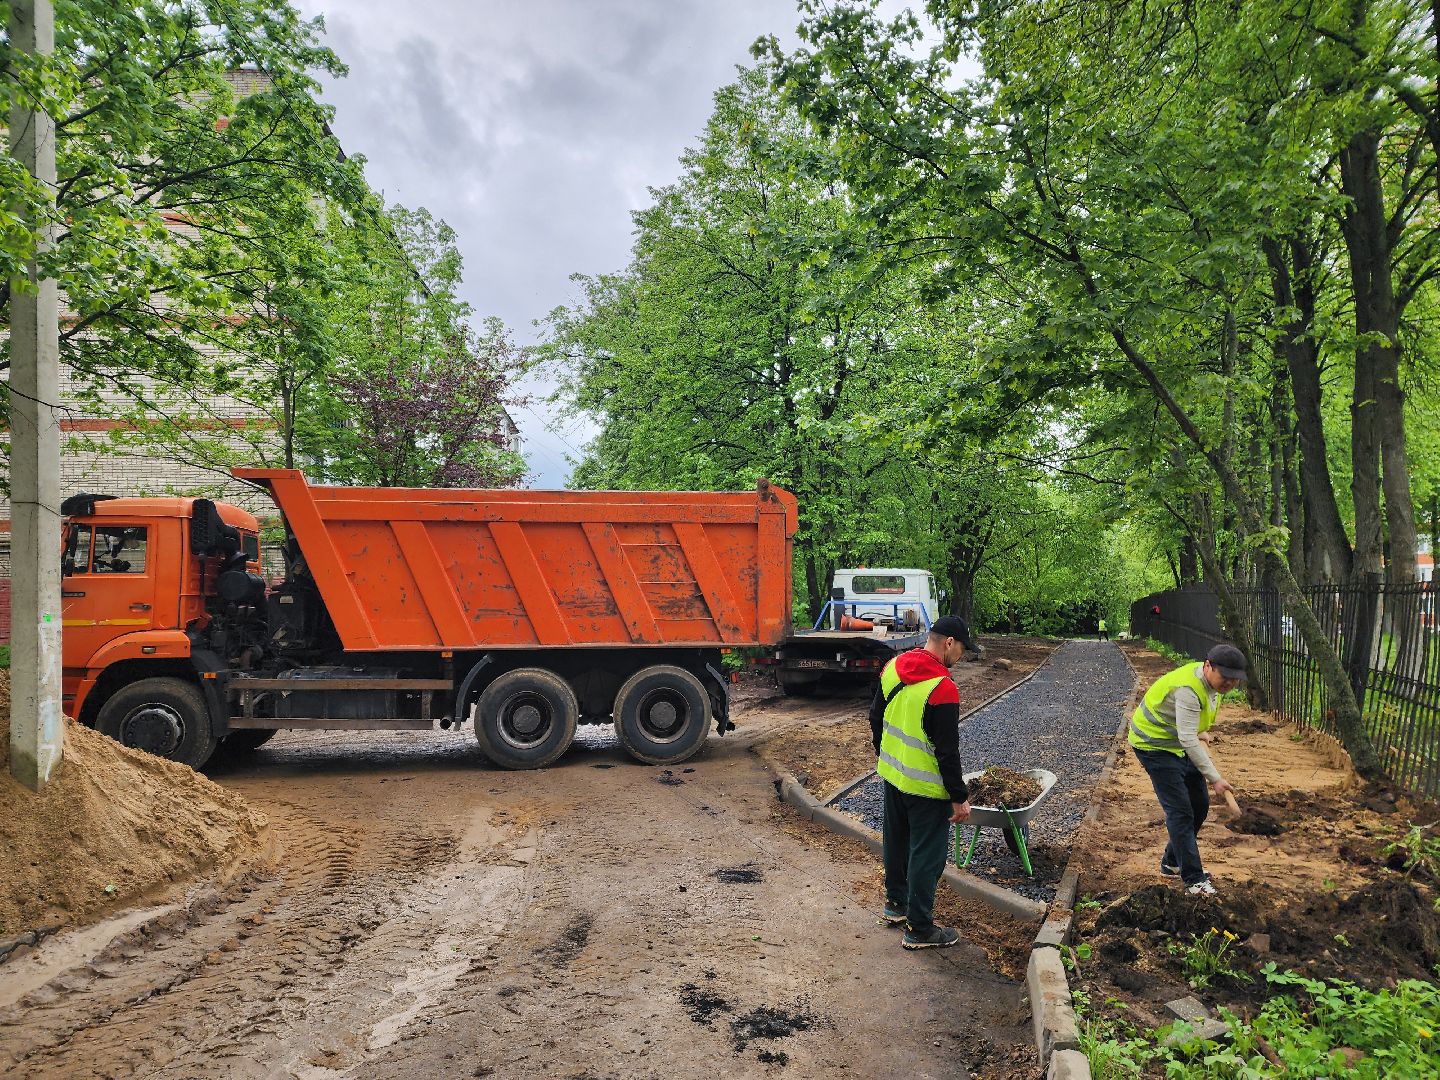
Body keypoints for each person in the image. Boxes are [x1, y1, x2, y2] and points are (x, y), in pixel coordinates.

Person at [870, 614, 977, 949]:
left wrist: (885, 755)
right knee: (926, 855)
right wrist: (959, 796)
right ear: (949, 643)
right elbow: (947, 751)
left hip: (893, 775)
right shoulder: (942, 688)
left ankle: (896, 904)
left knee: (896, 841)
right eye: (961, 649)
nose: (961, 656)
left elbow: (875, 717)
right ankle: (918, 929)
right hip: (927, 788)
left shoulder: (893, 667)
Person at [1129, 643, 1245, 897]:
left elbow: (1192, 728)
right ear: (1208, 666)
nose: (1229, 683)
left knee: (1199, 805)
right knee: (1180, 812)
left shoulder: (1211, 685)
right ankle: (1194, 879)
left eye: (1235, 679)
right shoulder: (1188, 690)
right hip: (1154, 744)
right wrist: (1215, 778)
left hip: (1179, 743)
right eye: (1225, 676)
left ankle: (1172, 863)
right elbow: (1188, 739)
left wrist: (1197, 731)